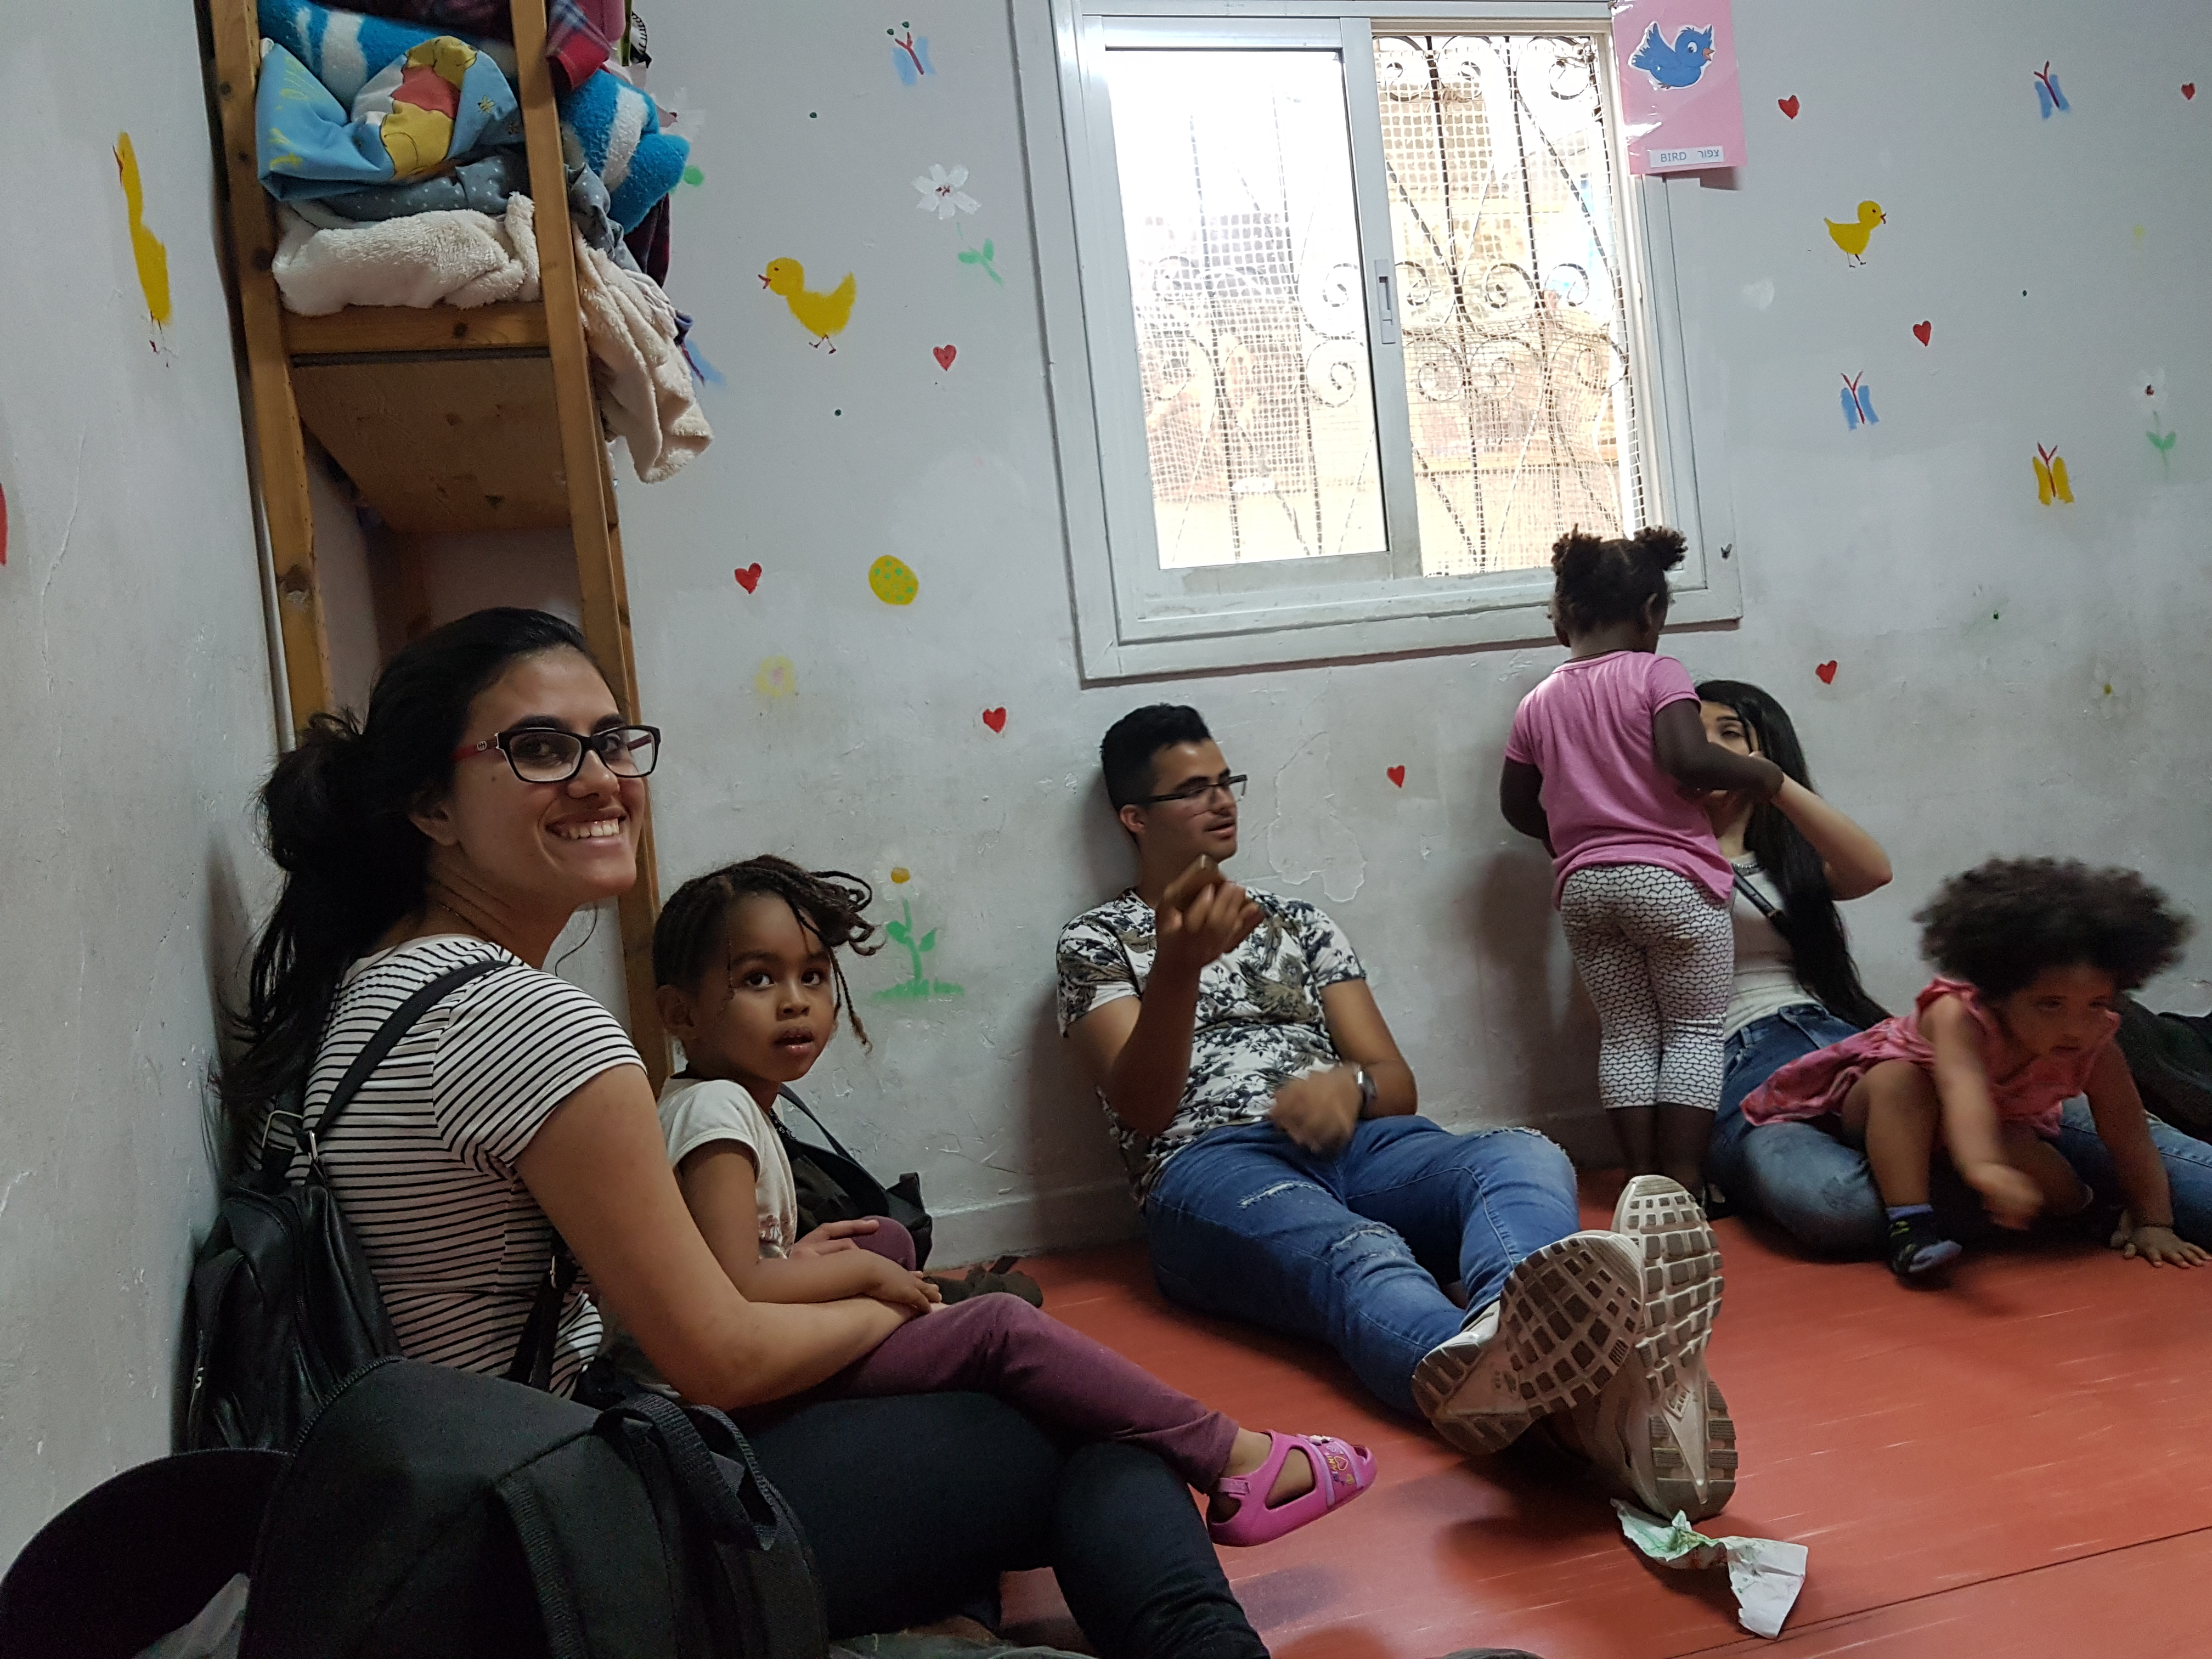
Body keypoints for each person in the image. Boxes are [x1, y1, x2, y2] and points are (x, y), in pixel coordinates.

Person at [219, 608, 1276, 1657]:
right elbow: (719, 1355)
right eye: (539, 748)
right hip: (545, 1553)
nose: (600, 778)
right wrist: (898, 1306)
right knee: (1082, 1420)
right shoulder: (522, 1020)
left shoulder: (380, 984)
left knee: (1006, 1384)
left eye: (611, 740)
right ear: (430, 805)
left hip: (460, 1513)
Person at [1058, 702, 1740, 1522]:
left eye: (1225, 780)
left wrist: (1348, 1089)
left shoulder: (1298, 922)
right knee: (1362, 1252)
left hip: (1360, 1144)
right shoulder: (1096, 942)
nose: (1222, 800)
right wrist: (1177, 966)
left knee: (1521, 1154)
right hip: (1212, 1169)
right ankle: (1593, 1394)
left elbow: (1394, 1080)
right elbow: (1143, 1109)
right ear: (1135, 818)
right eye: (1192, 790)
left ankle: (1525, 1347)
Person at [618, 853, 1376, 1547]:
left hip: (746, 1338)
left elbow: (729, 1263)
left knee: (884, 1237)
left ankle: (930, 1312)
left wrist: (820, 1258)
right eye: (759, 980)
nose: (795, 1003)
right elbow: (738, 1286)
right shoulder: (718, 1111)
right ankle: (1235, 1458)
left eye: (813, 976)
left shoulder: (724, 1100)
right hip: (730, 1401)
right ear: (680, 1014)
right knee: (998, 1328)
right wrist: (865, 1280)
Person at [1741, 857, 2208, 1280]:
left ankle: (2088, 1212)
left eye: (2096, 1004)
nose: (2075, 1027)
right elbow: (1963, 1093)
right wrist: (1983, 1167)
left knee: (2047, 1177)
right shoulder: (1957, 1016)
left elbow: (2129, 1135)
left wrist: (2154, 1222)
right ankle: (1910, 1226)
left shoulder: (2097, 1043)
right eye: (2050, 1004)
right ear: (1998, 992)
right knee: (1901, 1079)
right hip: (1892, 1114)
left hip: (1997, 1127)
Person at [1499, 528, 1787, 1193]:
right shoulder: (1658, 674)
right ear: (1653, 612)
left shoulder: (1536, 703)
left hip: (1585, 891)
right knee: (1692, 1030)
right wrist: (1760, 773)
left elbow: (1517, 806)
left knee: (1627, 1033)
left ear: (1561, 620)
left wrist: (1572, 841)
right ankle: (1683, 1180)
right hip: (1672, 883)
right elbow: (1686, 759)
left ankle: (1639, 1179)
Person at [1693, 680, 1900, 1249]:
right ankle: (1947, 1199)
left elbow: (1873, 871)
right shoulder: (1647, 865)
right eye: (1691, 735)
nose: (1708, 748)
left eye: (1729, 734)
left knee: (2061, 1122)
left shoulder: (1791, 865)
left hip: (1833, 1036)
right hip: (1739, 1074)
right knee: (1834, 1204)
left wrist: (1776, 784)